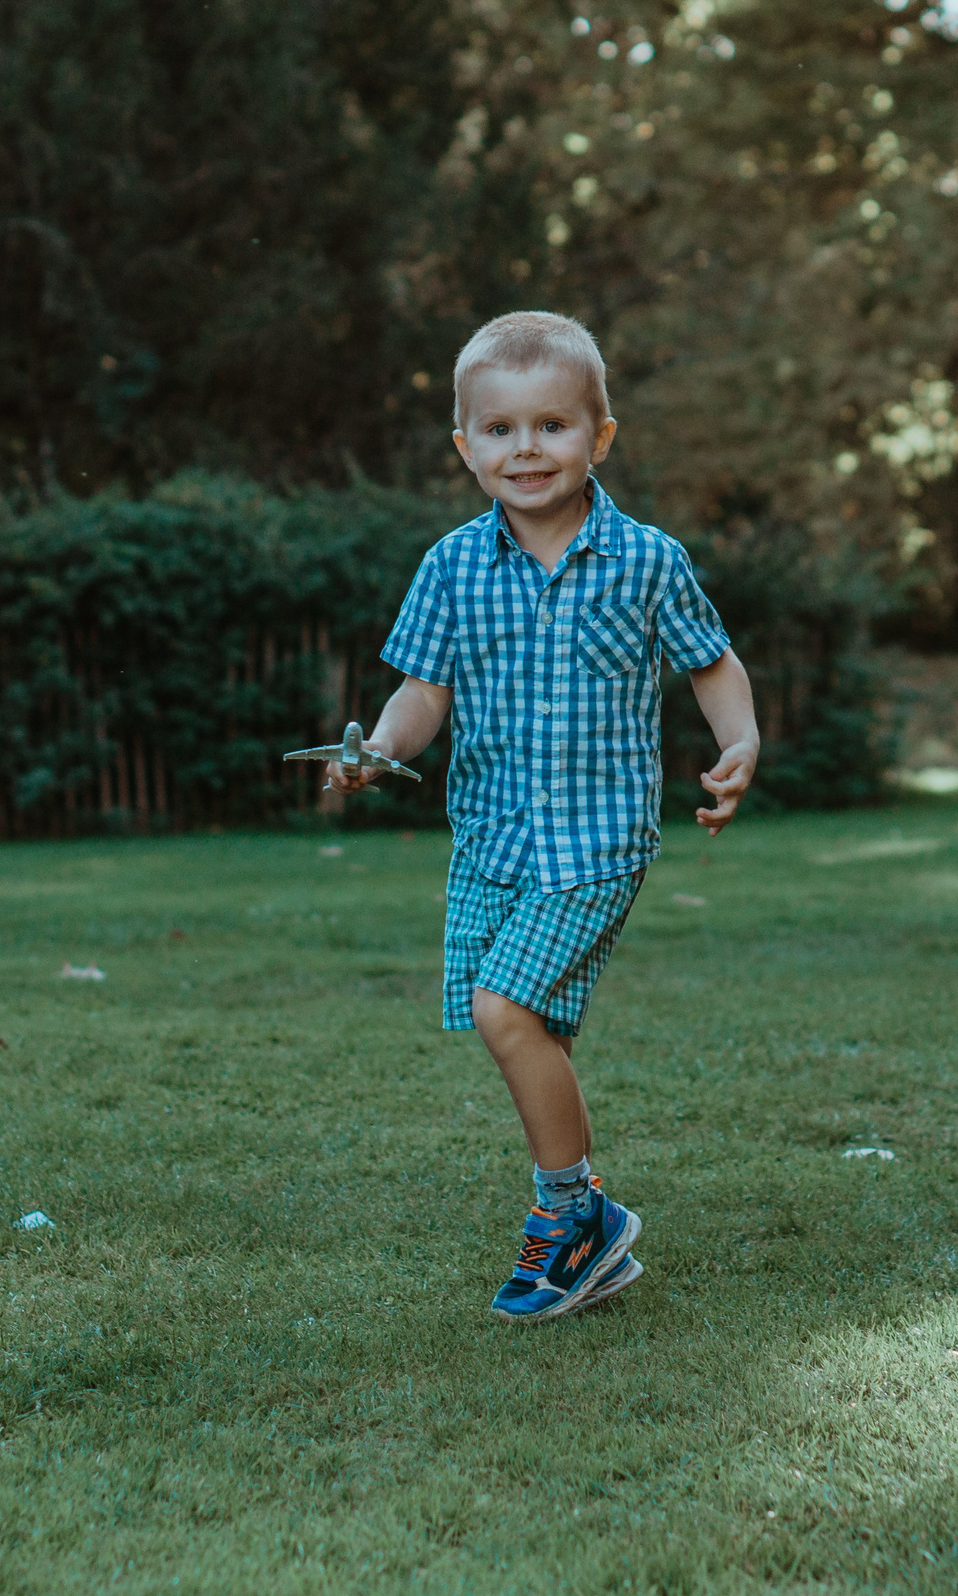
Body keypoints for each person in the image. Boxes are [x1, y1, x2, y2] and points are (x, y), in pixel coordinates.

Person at [317, 311, 759, 1322]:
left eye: (552, 426)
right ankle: (586, 1224)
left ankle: (573, 1218)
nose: (527, 449)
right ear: (466, 447)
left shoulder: (646, 561)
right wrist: (383, 749)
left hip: (596, 843)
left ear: (598, 437)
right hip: (491, 842)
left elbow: (710, 661)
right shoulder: (451, 567)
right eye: (502, 430)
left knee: (502, 1010)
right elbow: (421, 692)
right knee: (530, 1028)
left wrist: (739, 742)